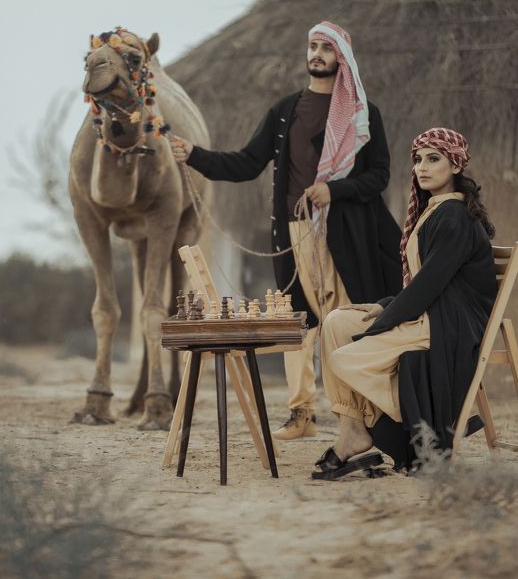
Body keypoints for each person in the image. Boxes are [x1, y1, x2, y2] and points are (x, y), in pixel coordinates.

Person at [170, 22, 402, 440]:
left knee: (345, 323)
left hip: (348, 236)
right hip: (295, 233)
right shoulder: (284, 111)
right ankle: (302, 415)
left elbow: (380, 176)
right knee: (301, 323)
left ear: (341, 58)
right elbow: (245, 163)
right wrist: (194, 155)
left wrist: (334, 189)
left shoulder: (363, 115)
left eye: (324, 48)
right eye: (311, 46)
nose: (316, 54)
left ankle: (360, 416)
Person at [310, 127, 498, 480]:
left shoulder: (454, 217)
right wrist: (384, 306)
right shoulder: (434, 211)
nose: (421, 167)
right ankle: (353, 433)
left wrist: (381, 325)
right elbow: (429, 282)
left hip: (446, 324)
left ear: (455, 164)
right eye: (417, 160)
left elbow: (429, 287)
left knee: (343, 359)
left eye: (433, 159)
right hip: (429, 310)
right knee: (336, 322)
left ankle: (412, 434)